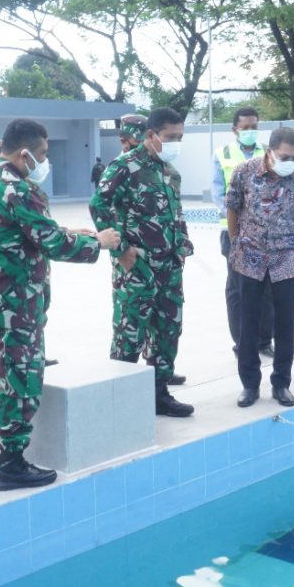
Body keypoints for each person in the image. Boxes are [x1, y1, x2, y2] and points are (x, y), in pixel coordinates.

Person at [0, 119, 119, 489]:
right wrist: (98, 242)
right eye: (44, 154)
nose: (45, 161)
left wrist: (70, 231)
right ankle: (13, 463)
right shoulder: (21, 188)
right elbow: (51, 243)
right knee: (20, 377)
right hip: (15, 303)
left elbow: (18, 231)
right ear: (24, 153)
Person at [90, 107, 196, 417]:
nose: (176, 142)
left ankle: (158, 394)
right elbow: (99, 205)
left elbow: (175, 212)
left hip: (170, 268)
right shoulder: (125, 166)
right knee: (129, 334)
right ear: (151, 135)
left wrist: (183, 246)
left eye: (180, 137)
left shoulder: (170, 171)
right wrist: (120, 249)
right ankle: (119, 402)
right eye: (170, 137)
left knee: (168, 331)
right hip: (137, 269)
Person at [227, 127, 294, 408]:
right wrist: (235, 245)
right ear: (269, 151)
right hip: (250, 257)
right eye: (285, 156)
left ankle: (281, 383)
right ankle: (249, 385)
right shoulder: (244, 172)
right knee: (248, 325)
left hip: (286, 259)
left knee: (285, 324)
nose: (290, 161)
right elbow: (232, 207)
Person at [212, 107, 275, 359]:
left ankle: (263, 340)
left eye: (254, 127)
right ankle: (242, 342)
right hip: (233, 231)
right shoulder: (222, 154)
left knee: (267, 287)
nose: (250, 131)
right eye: (245, 127)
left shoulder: (269, 153)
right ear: (235, 129)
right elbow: (218, 193)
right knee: (238, 289)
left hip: (265, 232)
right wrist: (239, 216)